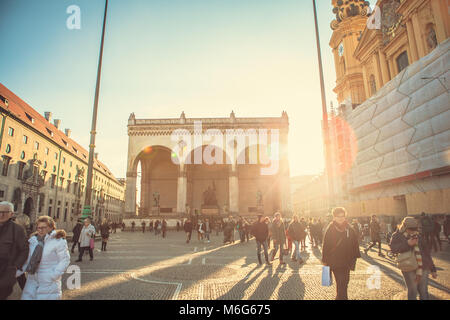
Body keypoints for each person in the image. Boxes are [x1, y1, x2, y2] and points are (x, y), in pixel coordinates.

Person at [19, 216, 70, 300]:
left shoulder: (58, 241)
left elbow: (64, 260)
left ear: (51, 227)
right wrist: (17, 271)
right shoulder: (33, 241)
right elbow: (27, 259)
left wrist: (53, 275)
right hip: (32, 280)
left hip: (49, 282)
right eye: (38, 227)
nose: (40, 230)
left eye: (44, 227)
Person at [390, 217, 437, 300]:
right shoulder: (397, 235)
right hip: (408, 267)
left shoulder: (419, 235)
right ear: (404, 227)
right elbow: (393, 249)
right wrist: (407, 243)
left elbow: (427, 253)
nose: (413, 231)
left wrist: (433, 269)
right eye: (410, 229)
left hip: (423, 267)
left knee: (424, 291)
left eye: (414, 229)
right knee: (413, 291)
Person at [322, 207, 360, 300]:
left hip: (347, 261)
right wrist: (325, 260)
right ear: (334, 217)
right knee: (341, 282)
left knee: (345, 283)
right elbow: (326, 245)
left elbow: (355, 243)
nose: (341, 218)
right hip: (335, 262)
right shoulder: (330, 229)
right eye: (338, 216)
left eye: (342, 216)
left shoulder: (349, 228)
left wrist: (354, 259)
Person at [0, 201, 29, 300]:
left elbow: (24, 250)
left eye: (5, 212)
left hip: (6, 272)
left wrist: (16, 266)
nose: (1, 214)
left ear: (11, 214)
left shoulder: (17, 230)